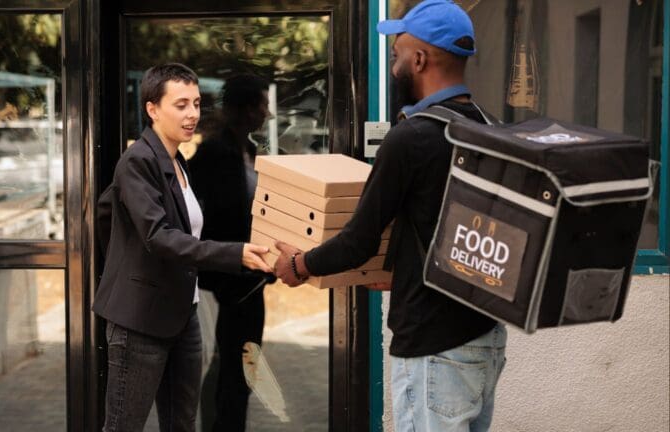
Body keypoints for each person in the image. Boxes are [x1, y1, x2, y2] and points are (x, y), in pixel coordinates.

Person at [273, 1, 506, 431]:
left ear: (418, 59)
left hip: (433, 346)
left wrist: (298, 264)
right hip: (484, 337)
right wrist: (401, 272)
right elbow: (455, 230)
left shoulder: (412, 137)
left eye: (397, 54)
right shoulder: (490, 129)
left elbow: (357, 240)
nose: (394, 63)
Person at [93, 63, 272, 432]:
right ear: (152, 109)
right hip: (140, 321)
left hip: (182, 313)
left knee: (182, 423)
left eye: (195, 103)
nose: (192, 114)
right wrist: (233, 253)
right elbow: (156, 236)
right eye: (180, 105)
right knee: (124, 425)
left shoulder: (179, 162)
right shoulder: (137, 162)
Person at [189, 74, 273, 432]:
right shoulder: (212, 152)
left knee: (243, 364)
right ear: (246, 109)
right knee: (231, 364)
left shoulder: (249, 151)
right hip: (226, 279)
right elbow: (200, 214)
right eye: (262, 105)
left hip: (250, 277)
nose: (267, 113)